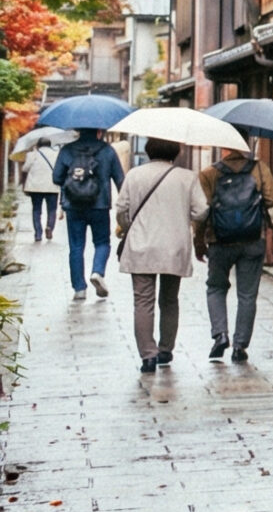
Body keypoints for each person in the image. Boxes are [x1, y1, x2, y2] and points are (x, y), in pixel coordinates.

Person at [116, 137, 207, 373]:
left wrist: (128, 228)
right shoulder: (187, 177)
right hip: (173, 246)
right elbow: (201, 211)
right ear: (175, 152)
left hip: (141, 245)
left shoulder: (134, 175)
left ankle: (148, 355)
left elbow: (121, 209)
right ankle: (166, 350)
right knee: (169, 299)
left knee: (143, 301)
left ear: (148, 151)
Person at [196, 146, 273, 362]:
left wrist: (198, 240)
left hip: (219, 239)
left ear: (223, 146)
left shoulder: (208, 173)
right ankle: (240, 345)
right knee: (247, 294)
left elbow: (201, 210)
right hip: (253, 238)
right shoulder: (259, 168)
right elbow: (272, 199)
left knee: (215, 287)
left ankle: (220, 334)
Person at [55, 128, 125, 300]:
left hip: (73, 204)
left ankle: (79, 288)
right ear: (98, 131)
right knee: (102, 242)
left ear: (79, 131)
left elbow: (56, 178)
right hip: (99, 205)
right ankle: (97, 272)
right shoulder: (107, 150)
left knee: (76, 246)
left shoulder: (67, 150)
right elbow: (120, 179)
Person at [19, 140, 61, 241]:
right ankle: (49, 227)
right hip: (52, 186)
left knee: (36, 210)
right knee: (52, 209)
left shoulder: (32, 155)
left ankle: (38, 233)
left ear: (38, 145)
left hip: (35, 186)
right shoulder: (56, 154)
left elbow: (25, 168)